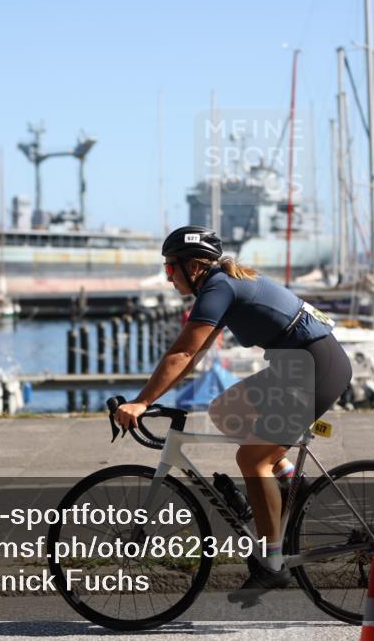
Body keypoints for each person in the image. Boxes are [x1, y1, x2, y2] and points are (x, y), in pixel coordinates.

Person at [113, 225, 352, 604]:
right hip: (295, 365)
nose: (167, 275)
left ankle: (272, 564)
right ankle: (290, 479)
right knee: (226, 409)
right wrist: (152, 395)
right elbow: (193, 354)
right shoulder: (220, 285)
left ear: (192, 267)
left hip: (314, 367)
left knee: (252, 459)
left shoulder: (219, 287)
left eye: (170, 267)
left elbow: (181, 354)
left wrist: (141, 402)